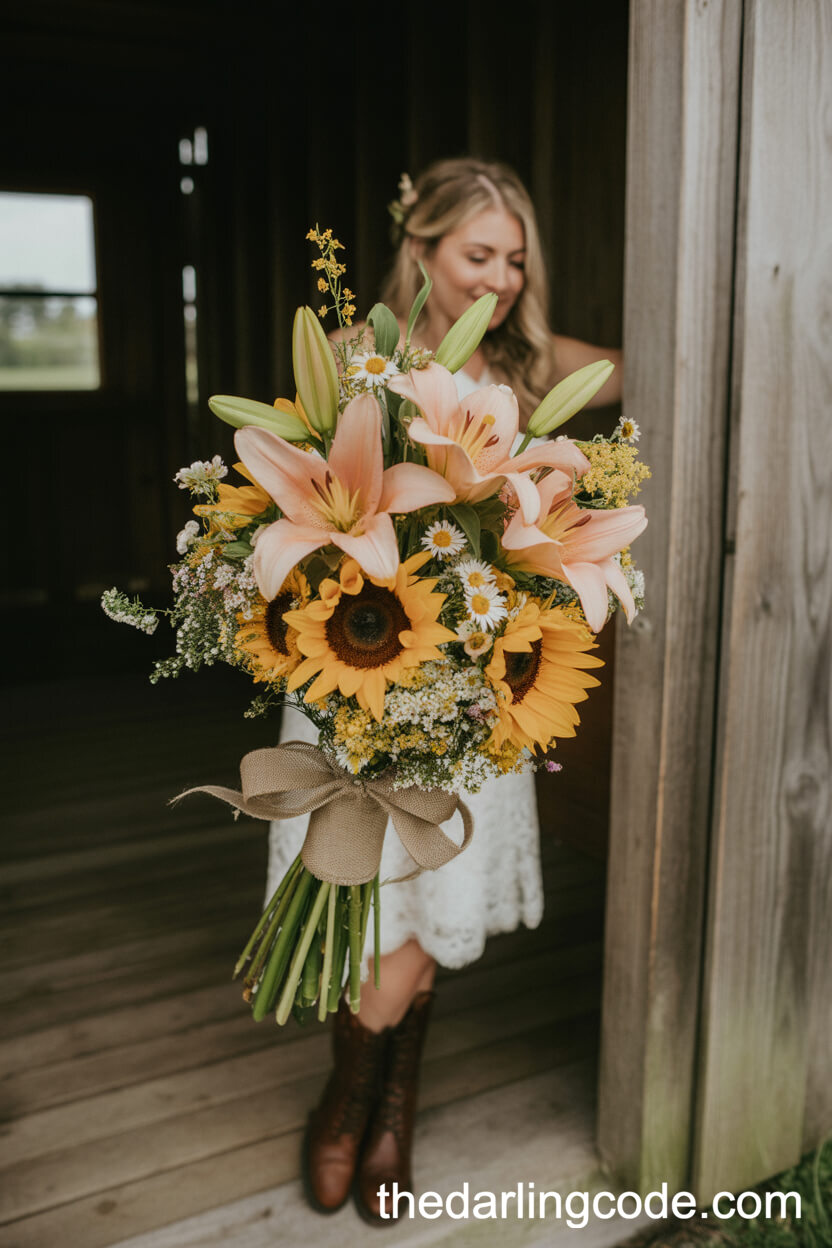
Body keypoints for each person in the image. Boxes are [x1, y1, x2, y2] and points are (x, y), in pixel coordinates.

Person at [266, 157, 623, 1225]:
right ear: (417, 248)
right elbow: (304, 499)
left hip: (478, 691)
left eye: (516, 259)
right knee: (357, 892)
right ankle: (366, 1098)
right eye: (478, 255)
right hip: (357, 666)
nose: (502, 279)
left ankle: (372, 1106)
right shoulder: (351, 355)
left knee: (433, 888)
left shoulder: (527, 360)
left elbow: (653, 360)